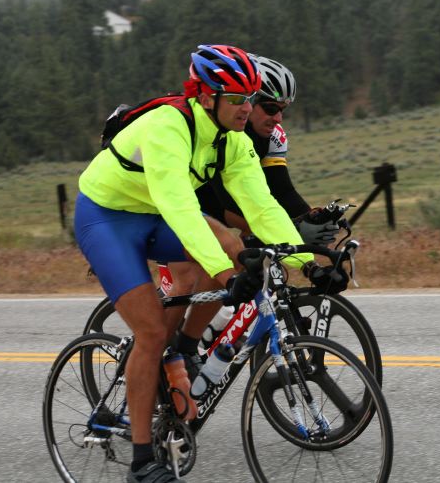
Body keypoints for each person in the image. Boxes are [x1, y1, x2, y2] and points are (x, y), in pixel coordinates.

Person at [73, 44, 345, 483]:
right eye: (237, 99)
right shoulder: (167, 128)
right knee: (149, 331)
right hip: (108, 219)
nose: (247, 108)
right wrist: (224, 274)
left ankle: (182, 351)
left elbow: (263, 208)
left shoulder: (233, 141)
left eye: (250, 97)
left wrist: (309, 263)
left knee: (231, 240)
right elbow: (181, 211)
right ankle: (142, 461)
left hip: (153, 214)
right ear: (205, 96)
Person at [169, 55, 339, 362]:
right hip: (186, 201)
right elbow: (225, 205)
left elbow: (280, 190)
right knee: (199, 271)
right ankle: (174, 350)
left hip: (223, 204)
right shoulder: (224, 129)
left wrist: (308, 223)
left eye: (283, 111)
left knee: (265, 253)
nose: (278, 118)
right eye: (271, 108)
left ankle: (219, 321)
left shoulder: (272, 136)